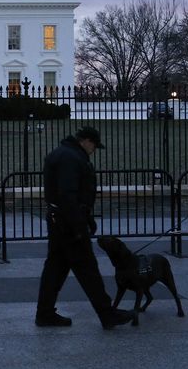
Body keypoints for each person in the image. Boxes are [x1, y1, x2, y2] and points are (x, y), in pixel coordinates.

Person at [36, 126, 135, 329]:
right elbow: (69, 195)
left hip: (59, 220)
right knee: (88, 269)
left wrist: (84, 218)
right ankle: (107, 314)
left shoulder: (63, 154)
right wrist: (80, 225)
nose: (94, 150)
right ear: (86, 141)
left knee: (55, 269)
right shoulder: (71, 158)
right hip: (68, 223)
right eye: (94, 146)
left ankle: (44, 313)